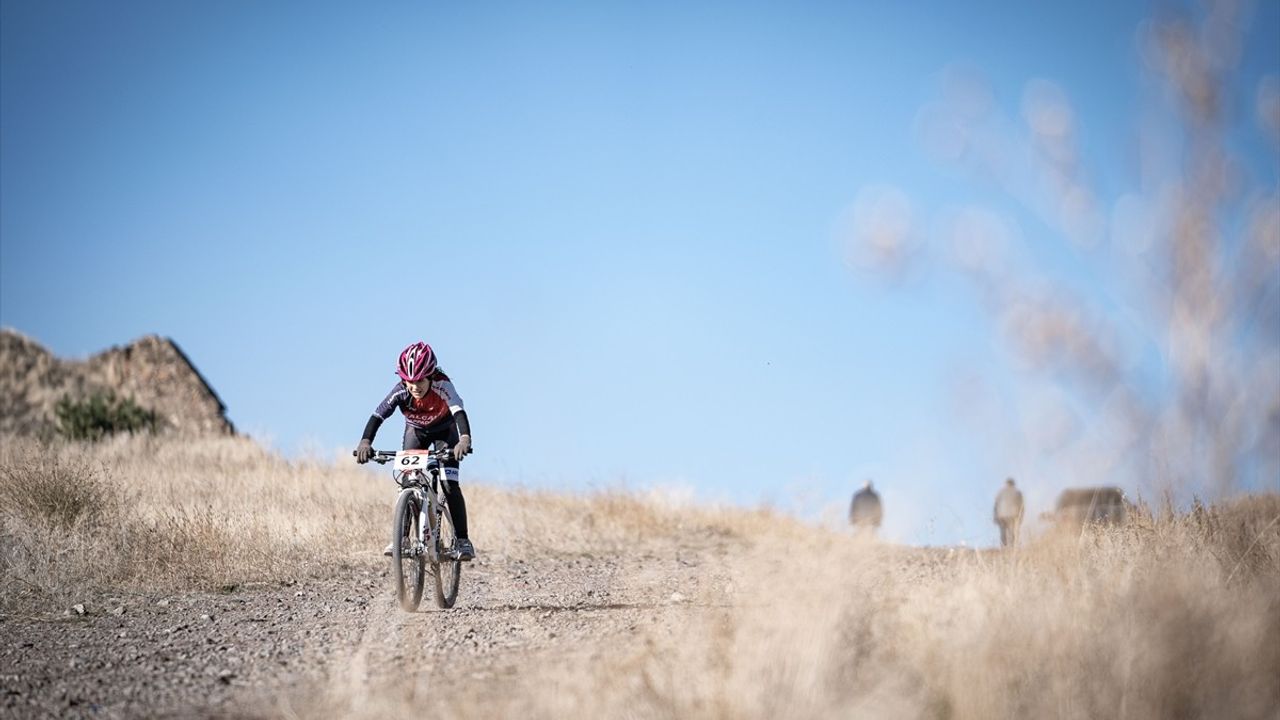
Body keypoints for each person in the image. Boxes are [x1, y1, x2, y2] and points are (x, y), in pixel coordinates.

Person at [355, 341, 475, 561]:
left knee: (449, 483)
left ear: (430, 376)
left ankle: (462, 539)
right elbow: (378, 415)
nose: (415, 386)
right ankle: (402, 539)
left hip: (444, 432)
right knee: (408, 482)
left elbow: (458, 412)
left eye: (419, 380)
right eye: (410, 381)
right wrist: (365, 442)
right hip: (417, 432)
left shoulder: (443, 385)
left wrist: (464, 439)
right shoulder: (401, 390)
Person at [993, 477, 1024, 547]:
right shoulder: (1018, 492)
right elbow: (1022, 506)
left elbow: (995, 505)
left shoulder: (1000, 492)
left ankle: (1003, 548)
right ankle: (1012, 548)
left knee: (1003, 533)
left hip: (1001, 515)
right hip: (1013, 515)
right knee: (1012, 532)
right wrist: (1021, 517)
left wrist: (995, 516)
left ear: (1006, 484)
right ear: (1013, 484)